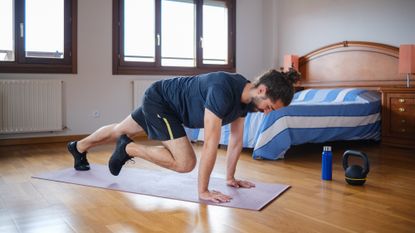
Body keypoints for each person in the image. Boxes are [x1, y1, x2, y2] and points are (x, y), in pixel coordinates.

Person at [67, 69, 300, 203]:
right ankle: (128, 149)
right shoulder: (223, 90)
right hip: (162, 101)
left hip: (168, 102)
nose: (267, 112)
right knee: (186, 163)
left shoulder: (247, 102)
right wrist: (203, 191)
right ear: (262, 90)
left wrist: (230, 178)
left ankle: (78, 147)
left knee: (119, 129)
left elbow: (236, 140)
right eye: (270, 106)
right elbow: (210, 143)